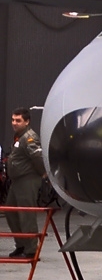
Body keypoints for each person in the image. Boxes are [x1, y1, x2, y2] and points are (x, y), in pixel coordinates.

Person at [7, 108, 45, 259]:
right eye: (13, 120)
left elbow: (37, 157)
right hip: (17, 181)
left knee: (26, 214)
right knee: (11, 212)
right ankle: (21, 244)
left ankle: (30, 249)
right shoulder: (19, 137)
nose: (14, 123)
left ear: (27, 121)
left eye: (18, 120)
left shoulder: (29, 137)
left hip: (27, 180)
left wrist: (43, 173)